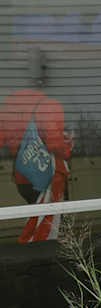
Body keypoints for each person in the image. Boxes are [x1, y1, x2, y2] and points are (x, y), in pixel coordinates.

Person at [1, 88, 71, 242]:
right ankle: (35, 254)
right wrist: (68, 150)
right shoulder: (50, 105)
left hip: (22, 177)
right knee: (45, 224)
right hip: (45, 179)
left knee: (36, 218)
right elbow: (54, 143)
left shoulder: (8, 107)